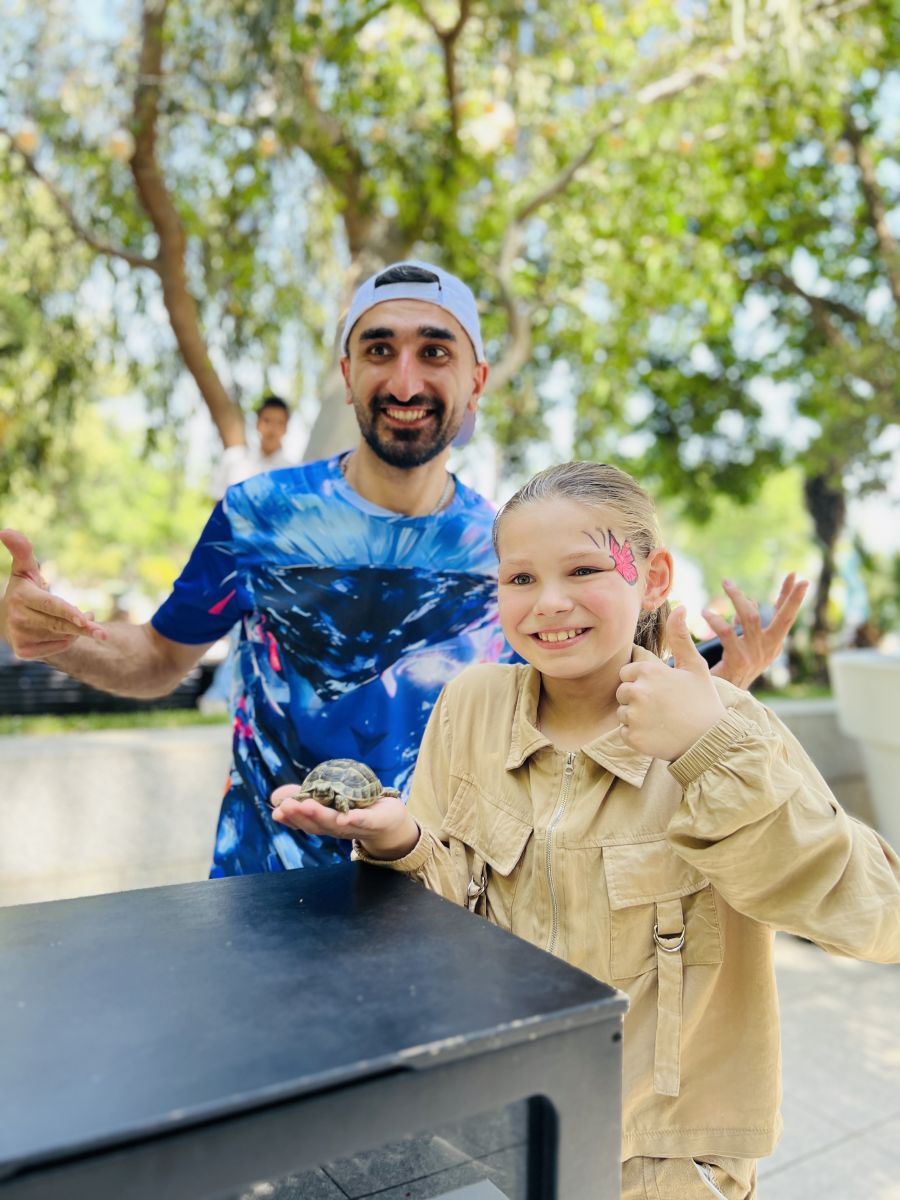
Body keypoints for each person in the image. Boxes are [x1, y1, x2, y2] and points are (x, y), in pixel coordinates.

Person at [0, 262, 805, 880]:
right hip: (264, 883)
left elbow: (581, 710)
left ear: (476, 381)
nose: (406, 380)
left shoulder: (513, 553)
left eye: (435, 351)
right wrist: (64, 638)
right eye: (379, 349)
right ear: (347, 371)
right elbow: (156, 661)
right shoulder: (259, 515)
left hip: (455, 889)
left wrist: (716, 688)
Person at [270, 461, 900, 1200]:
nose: (550, 602)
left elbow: (878, 918)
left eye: (583, 569)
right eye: (521, 578)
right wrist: (399, 841)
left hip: (659, 1164)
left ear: (653, 577)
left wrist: (706, 751)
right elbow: (446, 919)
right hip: (497, 1132)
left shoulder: (726, 725)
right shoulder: (470, 706)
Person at [210, 394, 295, 499]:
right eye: (267, 421)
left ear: (286, 428)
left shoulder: (293, 474)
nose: (272, 429)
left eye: (279, 423)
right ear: (257, 423)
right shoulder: (233, 459)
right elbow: (217, 501)